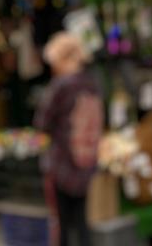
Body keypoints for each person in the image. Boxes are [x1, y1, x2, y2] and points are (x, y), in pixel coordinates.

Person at [34, 32, 104, 246]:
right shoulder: (93, 83)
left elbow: (42, 123)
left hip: (61, 165)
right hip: (85, 163)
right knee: (82, 223)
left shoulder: (61, 85)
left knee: (60, 227)